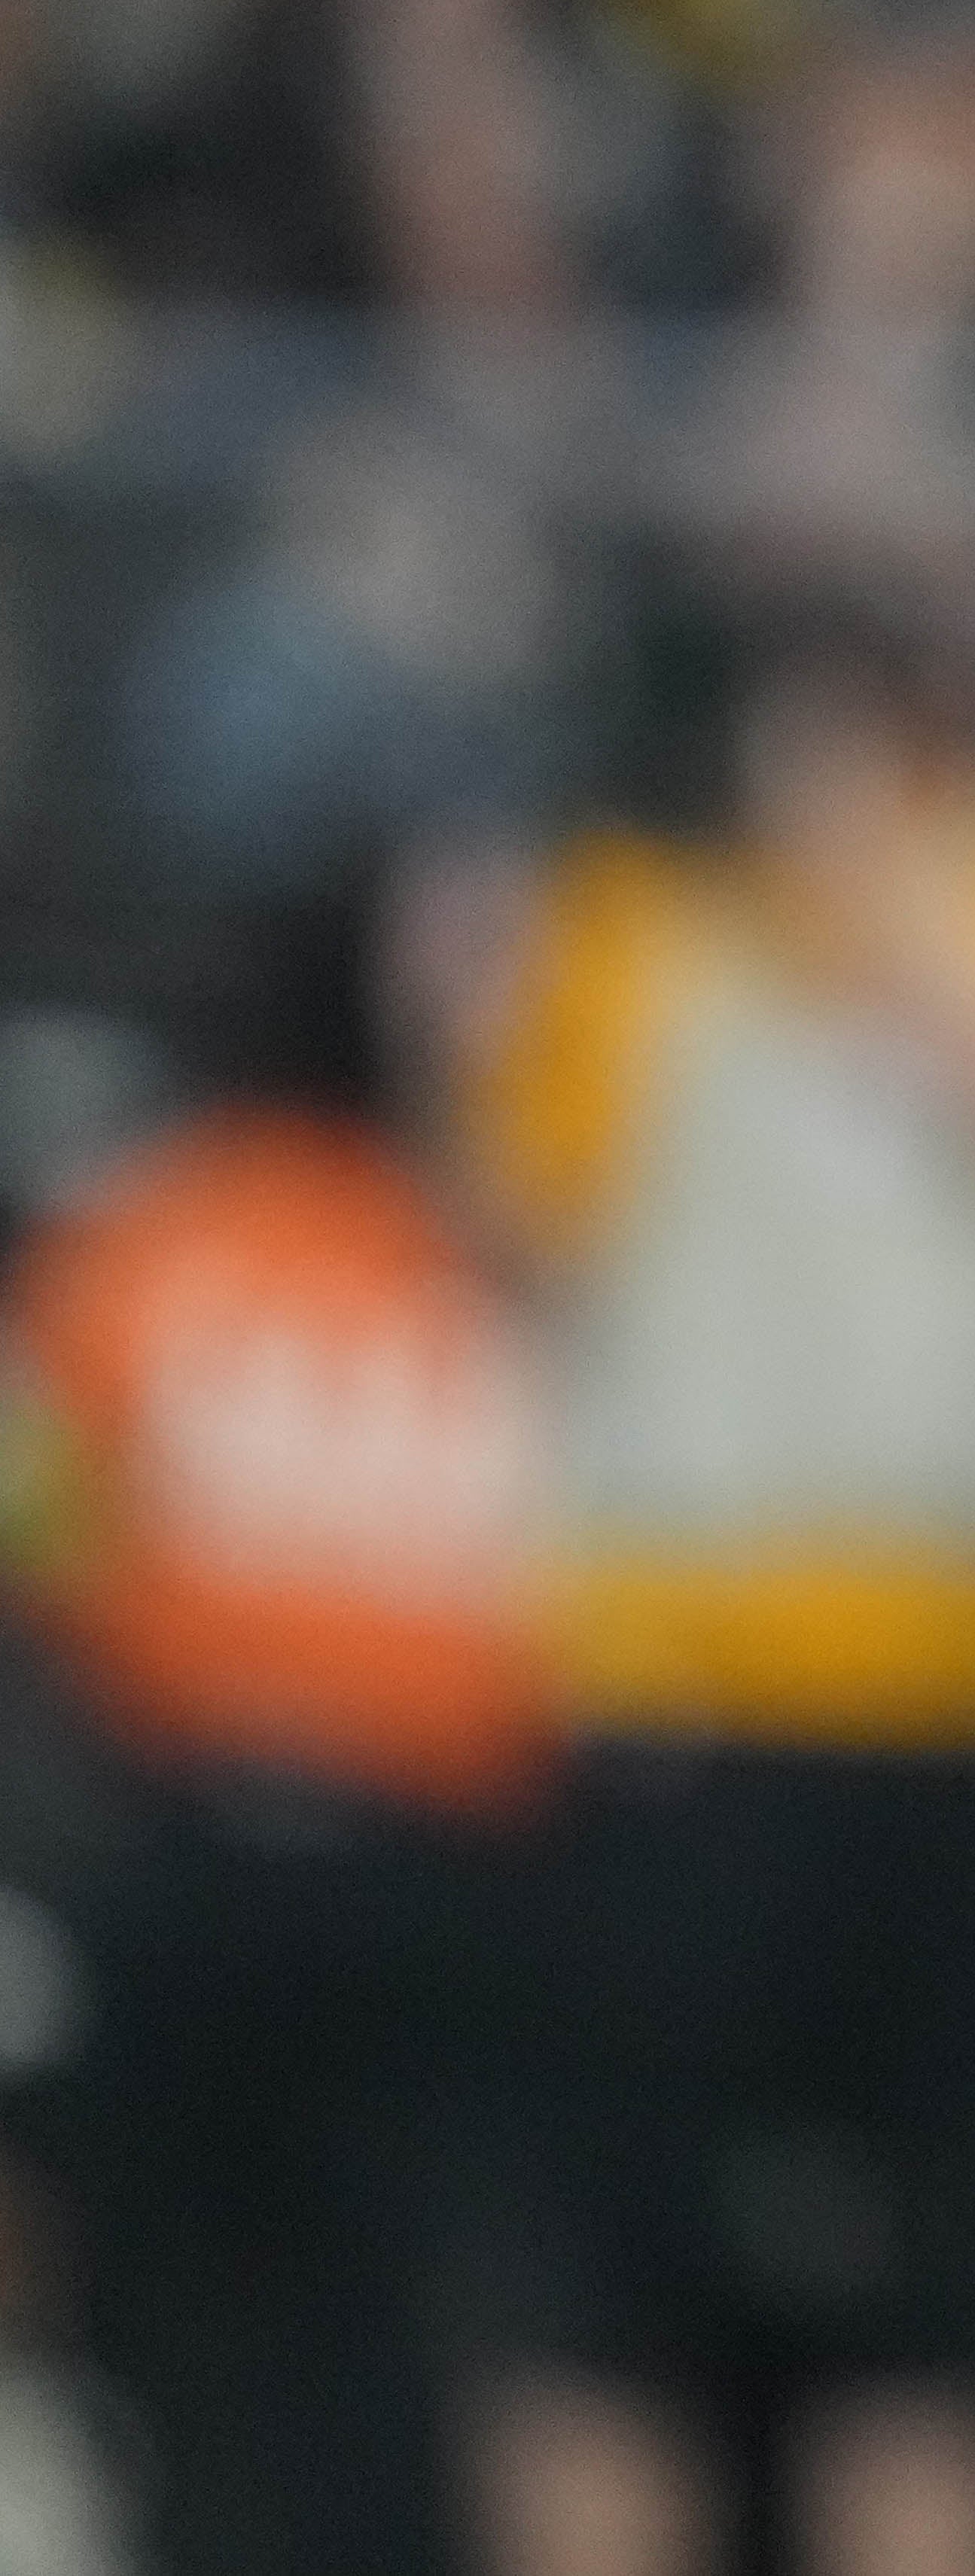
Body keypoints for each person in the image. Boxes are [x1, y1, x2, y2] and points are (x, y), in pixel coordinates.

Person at [443, 599, 975, 2576]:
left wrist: (869, 909)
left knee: (945, 2318)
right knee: (610, 2307)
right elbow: (517, 1220)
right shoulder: (633, 931)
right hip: (681, 1701)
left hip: (964, 1704)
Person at [5, 882, 548, 2576]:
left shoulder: (135, 1244)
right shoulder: (484, 1259)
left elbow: (41, 1550)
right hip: (445, 1882)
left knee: (184, 2327)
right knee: (413, 2334)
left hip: (189, 1859)